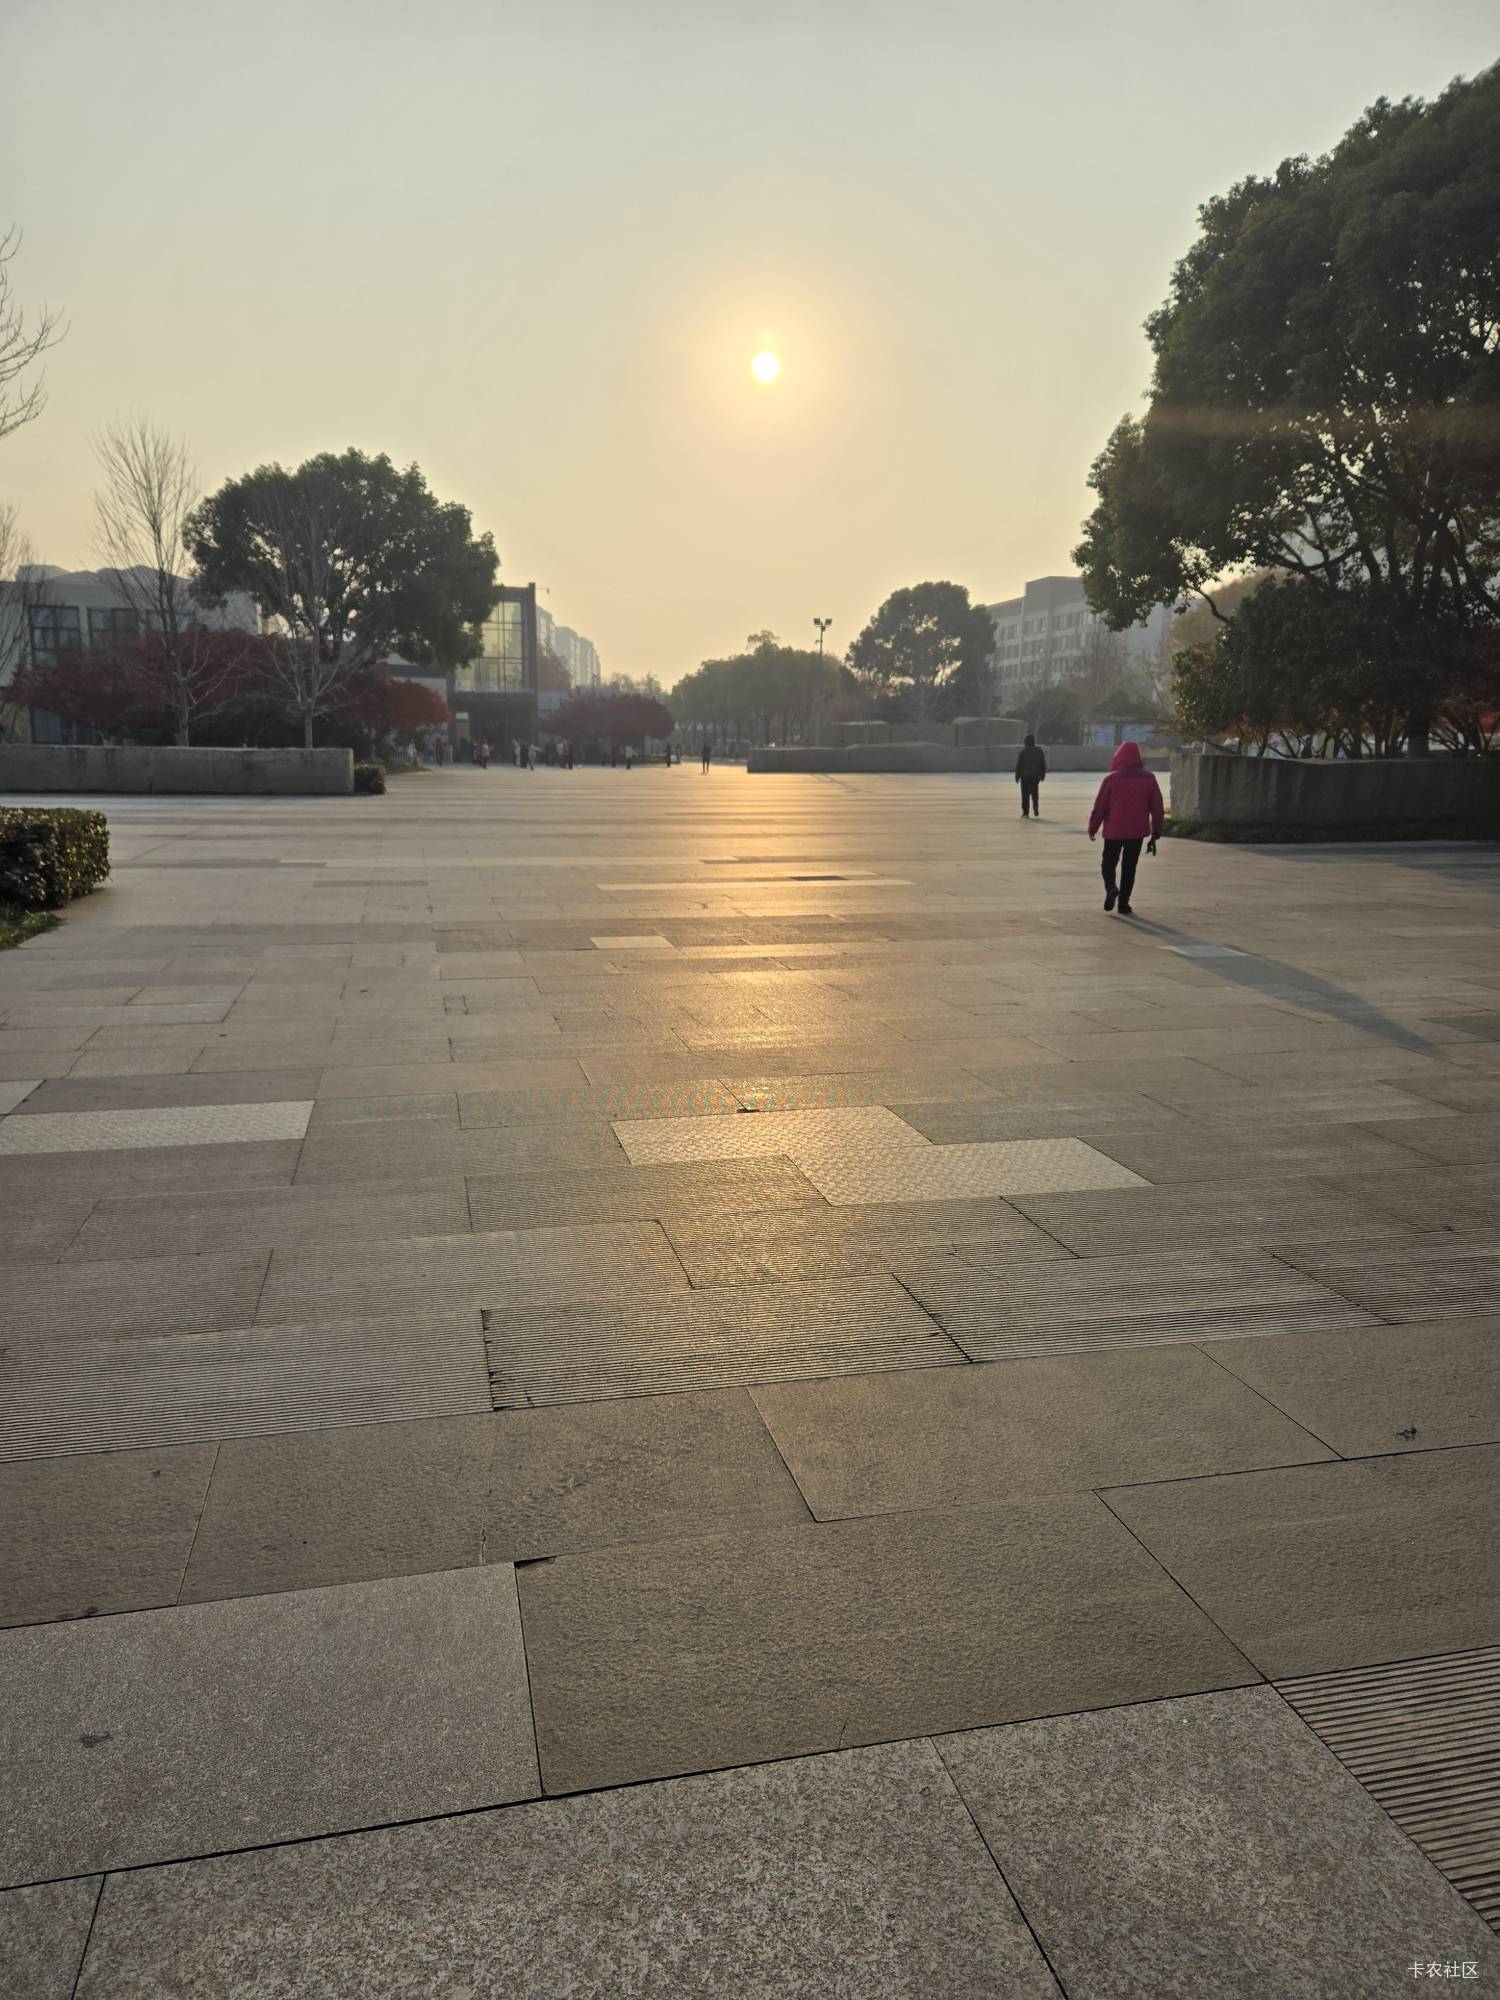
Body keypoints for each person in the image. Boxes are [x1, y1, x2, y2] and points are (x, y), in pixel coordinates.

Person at [1088, 741, 1164, 916]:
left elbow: (1100, 806)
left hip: (1114, 831)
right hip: (1136, 832)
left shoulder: (1111, 779)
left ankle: (1111, 888)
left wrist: (1093, 827)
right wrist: (1156, 831)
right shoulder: (1149, 778)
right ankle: (1123, 904)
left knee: (1108, 862)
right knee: (1129, 867)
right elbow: (1157, 808)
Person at [1014, 733, 1046, 818]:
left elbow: (1019, 765)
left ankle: (1025, 812)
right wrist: (1042, 775)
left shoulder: (1023, 751)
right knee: (1035, 793)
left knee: (1025, 794)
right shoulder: (1039, 751)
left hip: (1025, 777)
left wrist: (1017, 776)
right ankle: (1035, 806)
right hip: (1035, 776)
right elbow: (1043, 764)